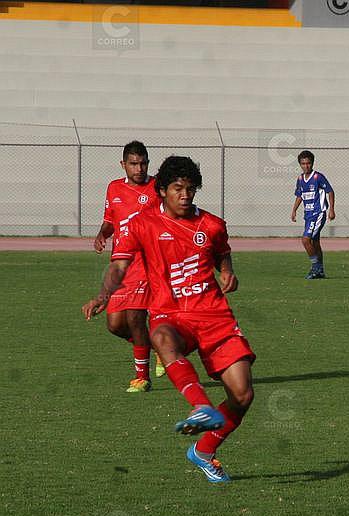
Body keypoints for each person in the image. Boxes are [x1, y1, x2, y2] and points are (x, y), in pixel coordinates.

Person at [83, 155, 255, 484]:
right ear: (162, 190)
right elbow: (118, 266)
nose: (185, 195)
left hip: (215, 315)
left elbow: (221, 251)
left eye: (190, 189)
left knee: (243, 394)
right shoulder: (141, 225)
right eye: (178, 188)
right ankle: (200, 406)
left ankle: (203, 451)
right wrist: (103, 296)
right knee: (159, 337)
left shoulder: (212, 225)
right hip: (172, 313)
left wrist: (228, 270)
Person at [93, 140, 164, 392]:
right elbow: (110, 219)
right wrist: (102, 233)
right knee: (115, 325)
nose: (139, 168)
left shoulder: (158, 187)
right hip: (122, 262)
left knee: (135, 316)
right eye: (133, 163)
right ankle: (157, 348)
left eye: (143, 163)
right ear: (123, 164)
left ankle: (141, 377)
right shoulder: (113, 188)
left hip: (148, 262)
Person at [290, 150, 335, 279]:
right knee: (315, 243)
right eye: (303, 163)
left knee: (305, 240)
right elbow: (300, 195)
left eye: (308, 163)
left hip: (318, 213)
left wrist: (331, 209)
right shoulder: (300, 179)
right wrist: (294, 210)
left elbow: (330, 192)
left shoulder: (318, 177)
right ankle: (320, 271)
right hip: (308, 215)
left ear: (312, 163)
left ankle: (316, 268)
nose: (306, 166)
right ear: (300, 164)